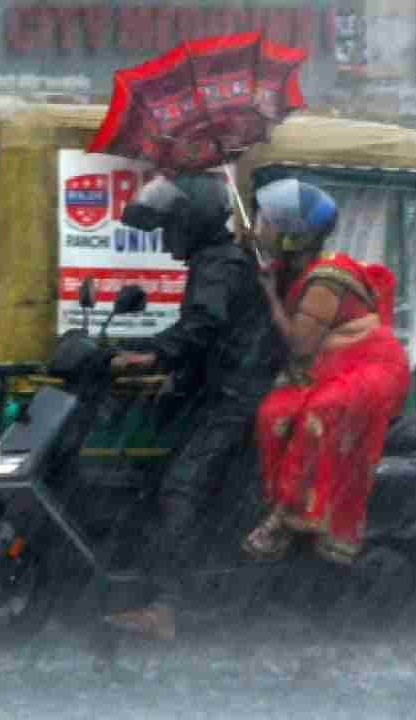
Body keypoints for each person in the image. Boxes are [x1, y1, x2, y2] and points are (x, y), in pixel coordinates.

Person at [102, 173, 280, 641]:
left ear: (192, 221)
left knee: (180, 489)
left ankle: (167, 607)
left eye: (169, 227)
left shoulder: (219, 263)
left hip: (232, 398)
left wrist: (153, 353)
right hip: (219, 391)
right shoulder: (216, 258)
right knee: (157, 476)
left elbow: (203, 324)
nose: (164, 238)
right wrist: (135, 343)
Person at [242, 179, 410, 565]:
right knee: (272, 414)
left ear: (293, 237)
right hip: (328, 366)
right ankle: (282, 506)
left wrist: (269, 295)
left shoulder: (324, 278)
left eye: (269, 222)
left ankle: (290, 518)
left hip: (368, 366)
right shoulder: (290, 268)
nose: (260, 227)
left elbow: (300, 344)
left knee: (323, 411)